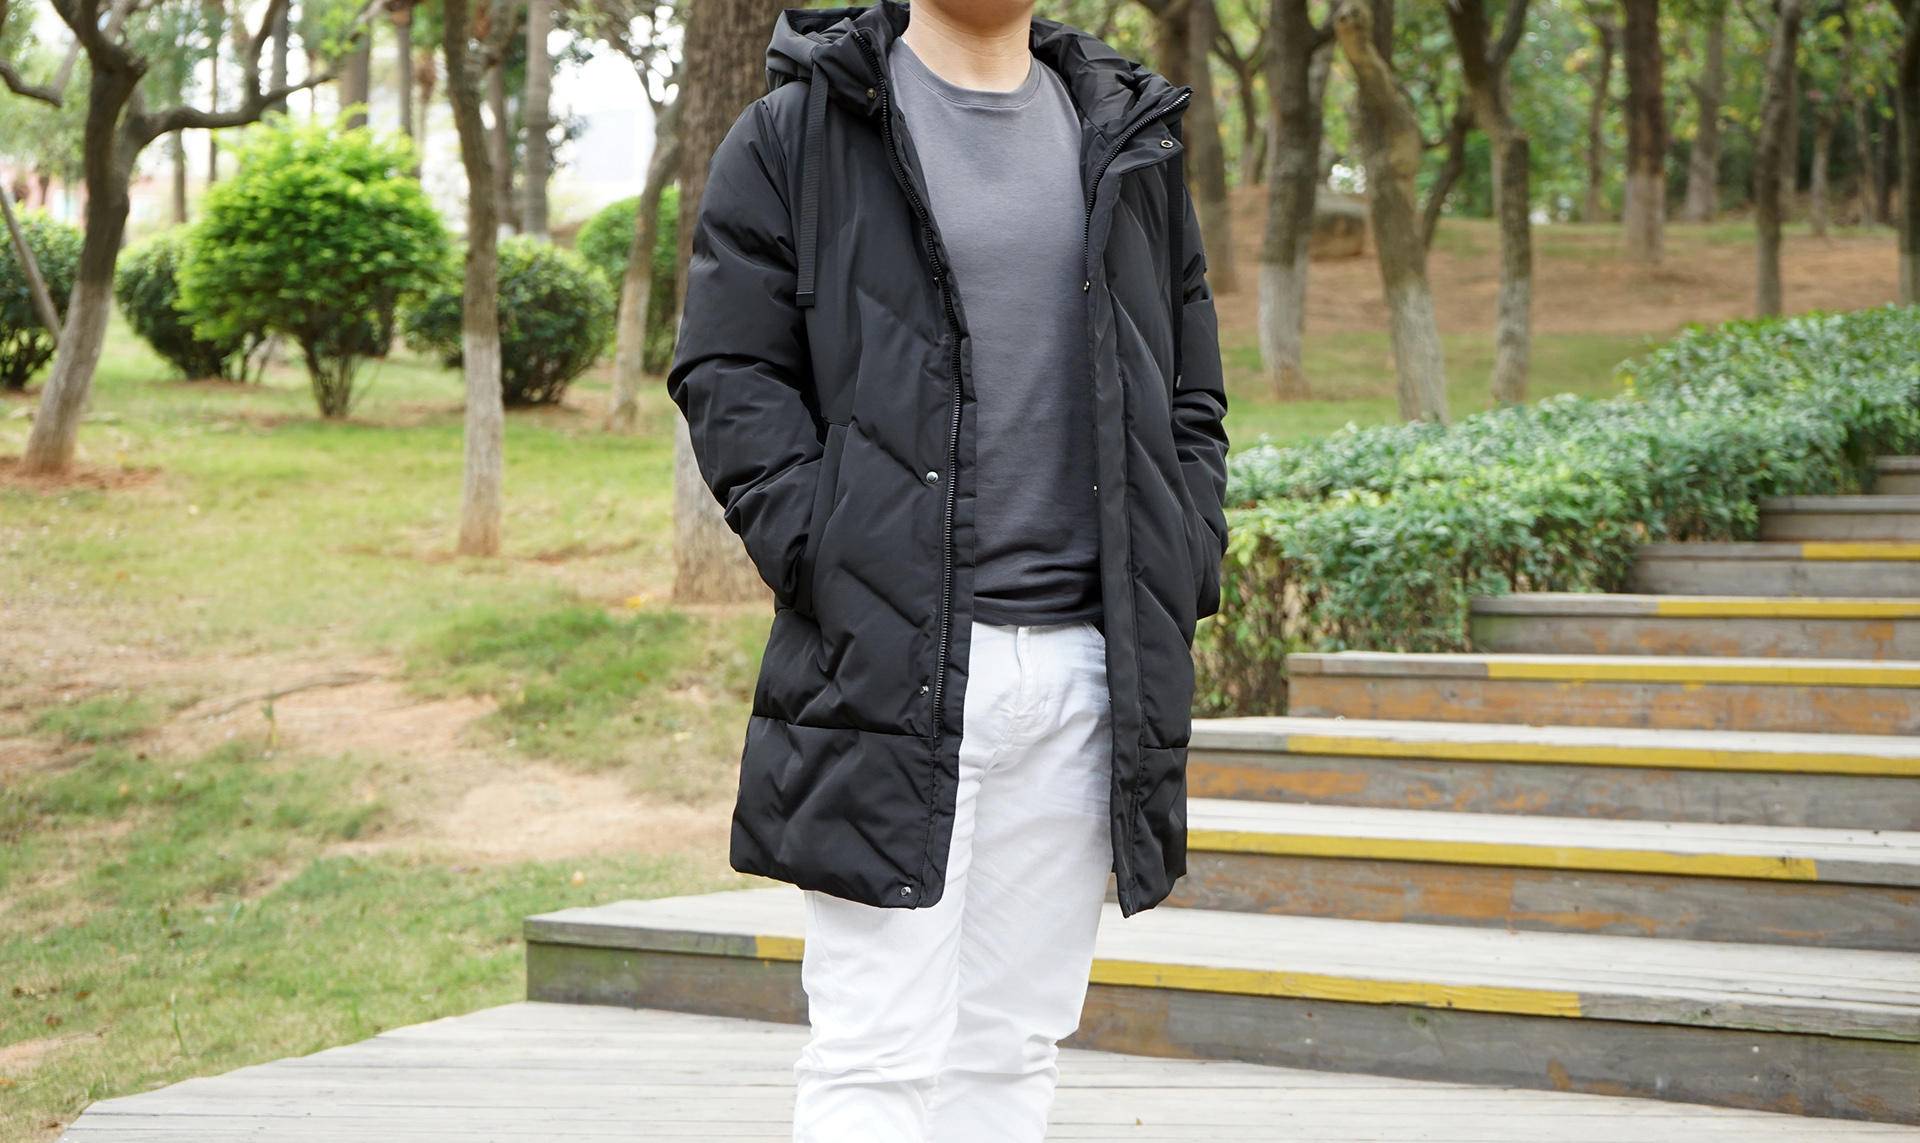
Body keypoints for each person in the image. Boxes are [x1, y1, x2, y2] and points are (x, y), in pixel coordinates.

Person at [666, 0, 1230, 1137]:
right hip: (895, 659)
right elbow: (729, 371)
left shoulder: (1126, 129)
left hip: (1086, 665)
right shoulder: (802, 130)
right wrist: (827, 550)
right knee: (877, 1048)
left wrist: (1184, 549)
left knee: (1012, 1048)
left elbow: (1190, 389)